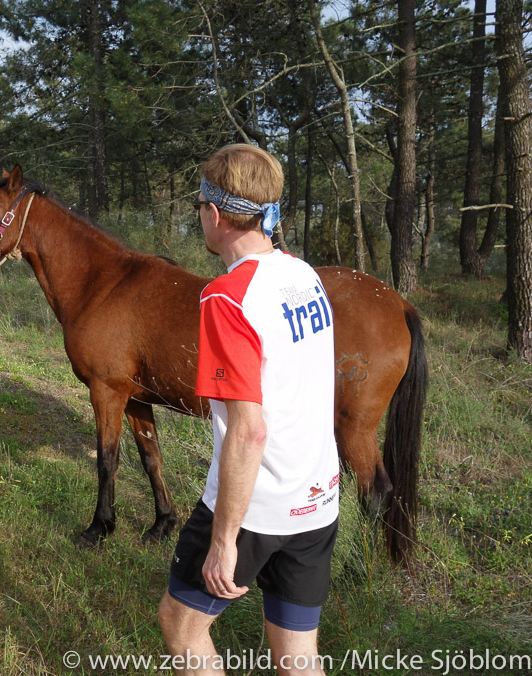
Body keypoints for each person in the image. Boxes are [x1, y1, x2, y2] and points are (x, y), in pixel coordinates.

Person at [158, 144, 339, 676]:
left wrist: (223, 540)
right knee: (299, 655)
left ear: (213, 214)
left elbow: (248, 433)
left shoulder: (227, 298)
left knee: (182, 624)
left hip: (254, 508)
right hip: (317, 500)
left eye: (199, 207)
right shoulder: (304, 275)